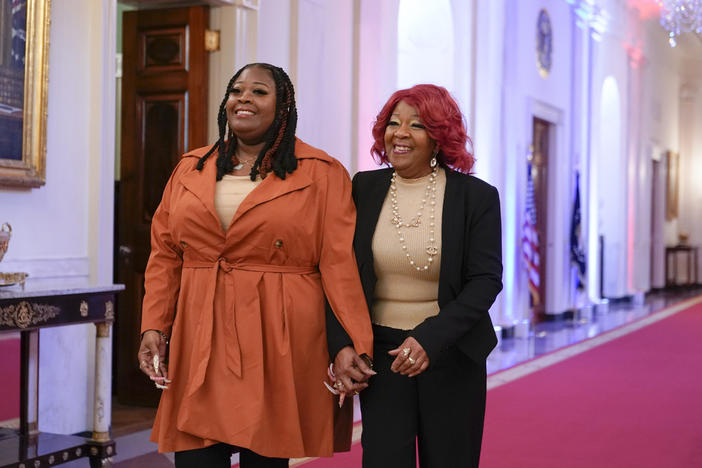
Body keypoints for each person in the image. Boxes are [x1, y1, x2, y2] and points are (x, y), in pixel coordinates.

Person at [137, 62, 374, 468]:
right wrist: (154, 325)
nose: (243, 98)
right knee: (196, 453)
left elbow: (338, 263)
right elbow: (165, 255)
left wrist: (353, 341)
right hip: (201, 329)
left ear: (283, 106)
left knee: (264, 453)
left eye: (259, 91)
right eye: (236, 90)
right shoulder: (189, 168)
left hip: (278, 331)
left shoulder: (321, 173)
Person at [326, 84, 503, 468]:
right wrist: (340, 344)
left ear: (440, 137)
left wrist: (430, 338)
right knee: (384, 459)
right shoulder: (363, 188)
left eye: (417, 125)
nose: (400, 133)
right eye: (393, 123)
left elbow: (486, 279)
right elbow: (336, 271)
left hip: (452, 350)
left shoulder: (476, 196)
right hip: (382, 354)